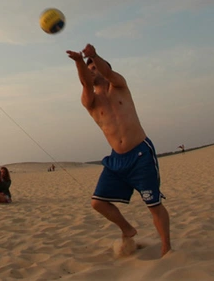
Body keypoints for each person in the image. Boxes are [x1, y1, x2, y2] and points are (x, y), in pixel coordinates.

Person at [67, 45, 171, 257]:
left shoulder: (120, 86)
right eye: (90, 68)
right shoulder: (90, 100)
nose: (93, 70)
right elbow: (86, 82)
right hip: (117, 159)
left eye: (96, 67)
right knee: (97, 202)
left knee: (153, 204)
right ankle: (127, 228)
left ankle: (166, 247)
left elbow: (108, 73)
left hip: (141, 153)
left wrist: (93, 55)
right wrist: (80, 61)